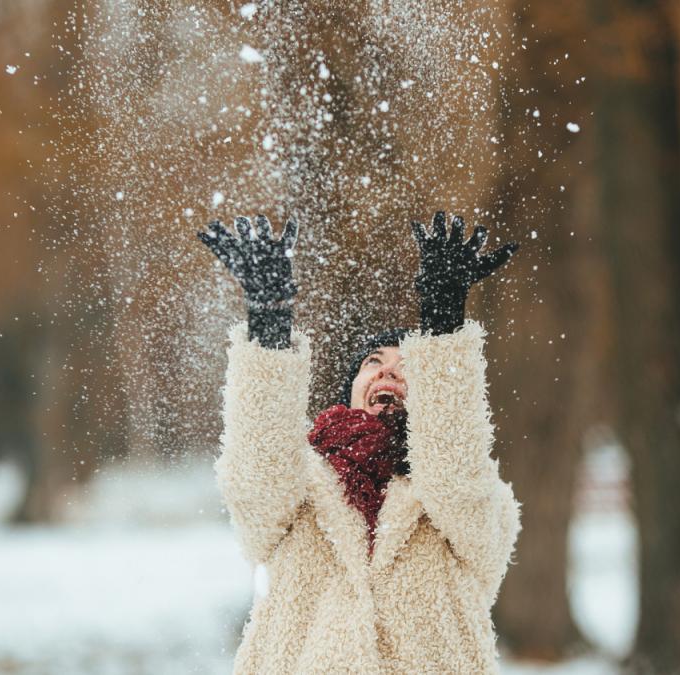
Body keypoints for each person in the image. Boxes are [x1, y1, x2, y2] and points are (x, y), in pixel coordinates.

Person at [197, 211, 521, 674]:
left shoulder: (473, 500)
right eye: (374, 361)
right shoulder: (299, 487)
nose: (389, 369)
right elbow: (257, 476)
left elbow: (455, 474)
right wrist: (269, 326)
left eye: (409, 362)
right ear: (351, 390)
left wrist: (444, 320)